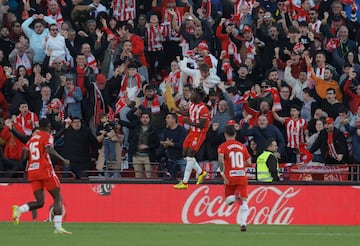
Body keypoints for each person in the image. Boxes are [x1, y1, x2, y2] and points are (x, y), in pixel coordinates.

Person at [12, 118, 72, 234]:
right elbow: (49, 149)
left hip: (32, 172)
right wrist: (63, 160)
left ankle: (19, 210)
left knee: (40, 202)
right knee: (57, 197)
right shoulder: (47, 136)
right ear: (49, 126)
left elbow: (24, 156)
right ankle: (58, 227)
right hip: (45, 171)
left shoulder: (31, 139)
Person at [218, 123, 251, 232]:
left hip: (230, 176)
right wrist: (240, 165)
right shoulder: (242, 146)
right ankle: (243, 223)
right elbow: (249, 162)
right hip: (241, 175)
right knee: (244, 202)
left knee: (228, 201)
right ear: (235, 134)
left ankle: (236, 197)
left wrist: (222, 173)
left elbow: (221, 160)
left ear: (225, 134)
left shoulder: (222, 146)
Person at [174, 87, 209, 189]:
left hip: (199, 133)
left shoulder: (203, 109)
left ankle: (185, 182)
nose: (191, 95)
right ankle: (201, 172)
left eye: (193, 94)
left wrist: (188, 122)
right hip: (192, 132)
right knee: (184, 154)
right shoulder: (192, 104)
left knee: (190, 156)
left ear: (198, 96)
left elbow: (202, 125)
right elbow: (187, 113)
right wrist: (176, 110)